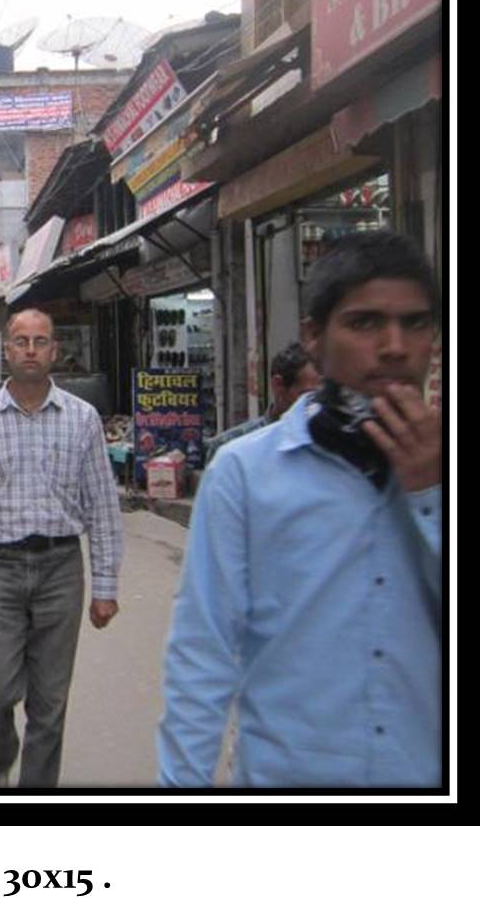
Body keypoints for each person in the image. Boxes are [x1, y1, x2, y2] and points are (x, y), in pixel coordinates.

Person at [157, 231, 442, 787]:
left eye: (416, 323)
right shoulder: (244, 474)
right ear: (314, 338)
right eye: (364, 323)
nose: (394, 346)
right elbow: (202, 654)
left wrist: (429, 496)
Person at [0, 309, 124, 788]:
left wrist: (105, 585)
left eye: (40, 341)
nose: (30, 349)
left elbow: (103, 507)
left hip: (60, 568)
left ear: (54, 351)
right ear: (6, 351)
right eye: (21, 341)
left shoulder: (82, 420)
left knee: (49, 703)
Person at [204, 342, 321, 463]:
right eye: (308, 397)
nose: (317, 407)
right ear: (278, 385)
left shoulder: (330, 450)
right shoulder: (231, 452)